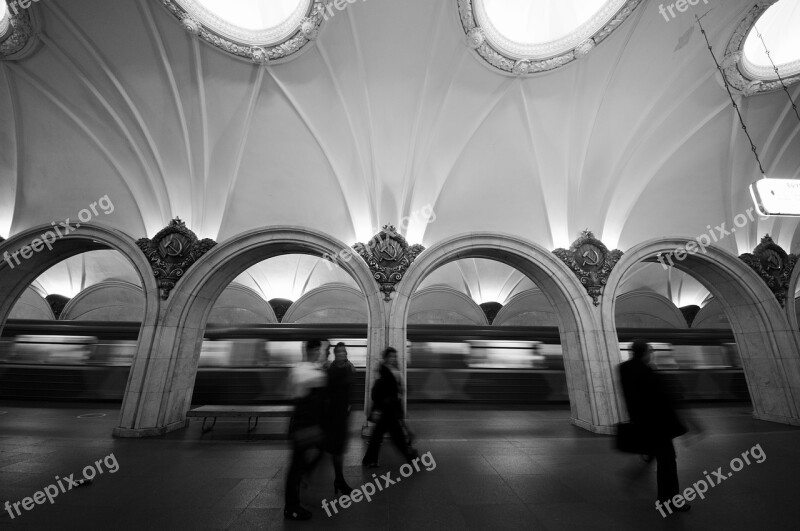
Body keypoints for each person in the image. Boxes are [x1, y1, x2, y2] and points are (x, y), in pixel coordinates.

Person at [619, 340, 689, 514]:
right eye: (649, 351)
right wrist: (679, 426)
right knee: (667, 462)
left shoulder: (623, 368)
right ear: (645, 353)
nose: (651, 354)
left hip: (639, 422)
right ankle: (670, 500)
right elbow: (662, 400)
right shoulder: (647, 371)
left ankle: (635, 475)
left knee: (654, 455)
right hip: (657, 426)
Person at [284, 340, 327, 521]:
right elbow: (316, 382)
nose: (319, 353)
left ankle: (304, 474)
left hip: (307, 424)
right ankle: (292, 508)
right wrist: (321, 374)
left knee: (320, 449)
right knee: (296, 466)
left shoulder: (304, 369)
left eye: (319, 350)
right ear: (310, 351)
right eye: (317, 350)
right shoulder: (304, 371)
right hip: (303, 425)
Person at [362, 347, 418, 467]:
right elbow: (377, 393)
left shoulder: (393, 371)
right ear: (386, 358)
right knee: (396, 437)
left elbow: (399, 390)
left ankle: (369, 460)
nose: (393, 359)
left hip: (389, 409)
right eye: (391, 356)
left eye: (395, 356)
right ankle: (411, 459)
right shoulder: (383, 372)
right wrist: (378, 409)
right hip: (386, 410)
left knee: (380, 437)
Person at [324, 342, 356, 496]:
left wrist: (349, 404)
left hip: (342, 413)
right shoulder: (332, 370)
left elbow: (349, 390)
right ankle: (339, 480)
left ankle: (339, 479)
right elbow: (330, 392)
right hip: (333, 414)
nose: (342, 354)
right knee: (334, 449)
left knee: (337, 449)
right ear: (335, 354)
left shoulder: (349, 367)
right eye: (339, 352)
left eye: (344, 351)